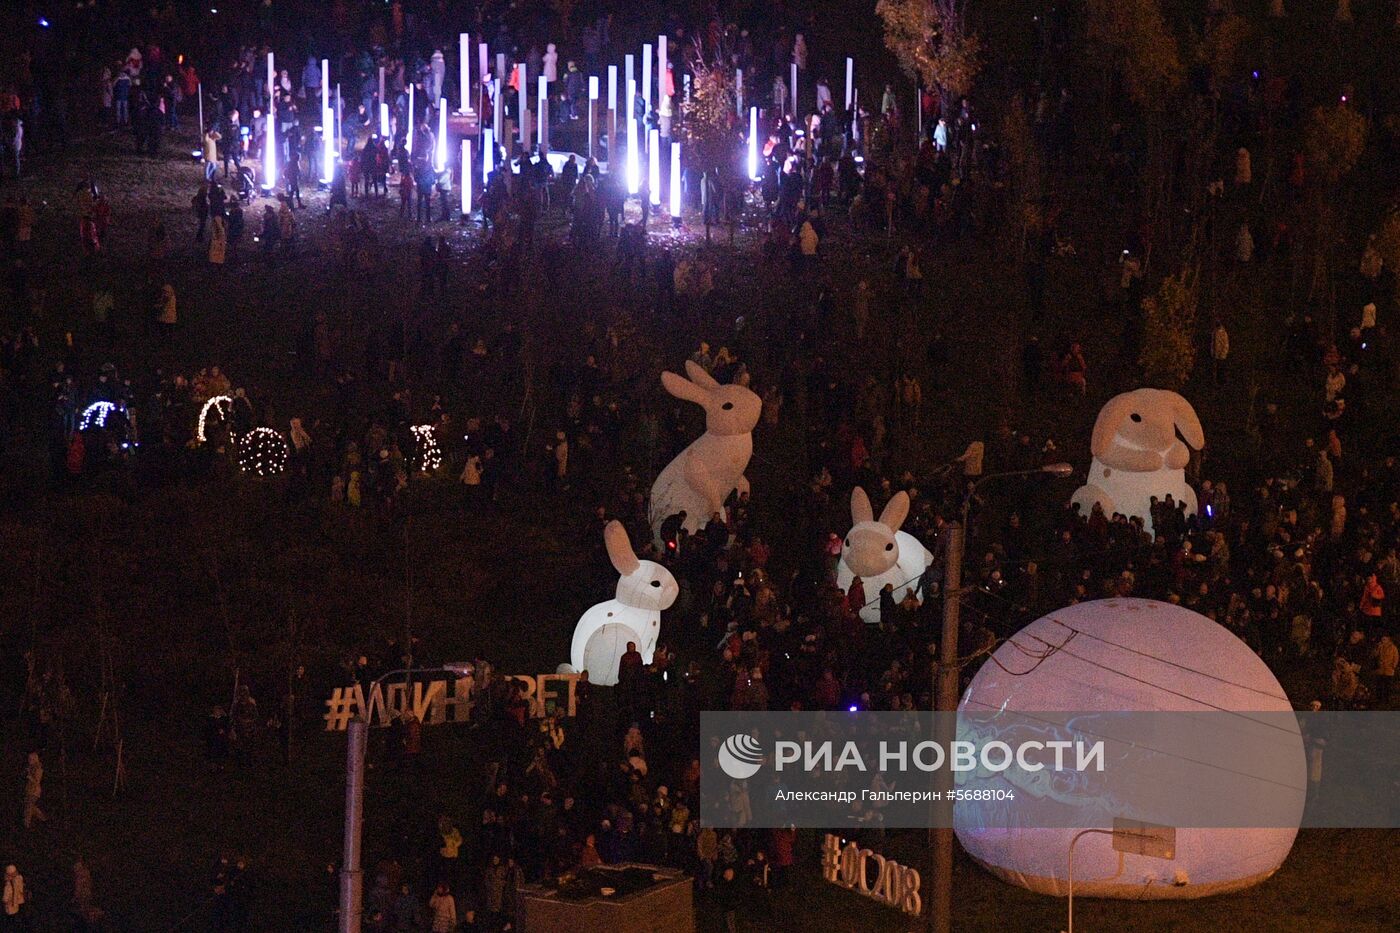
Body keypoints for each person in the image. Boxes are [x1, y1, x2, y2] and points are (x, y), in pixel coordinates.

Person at [22, 752, 45, 829]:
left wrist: (29, 776)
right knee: (30, 806)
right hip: (29, 790)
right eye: (28, 759)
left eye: (31, 759)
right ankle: (43, 819)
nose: (29, 760)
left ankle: (26, 825)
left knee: (28, 807)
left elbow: (37, 781)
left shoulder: (38, 768)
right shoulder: (31, 768)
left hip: (34, 791)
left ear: (35, 759)